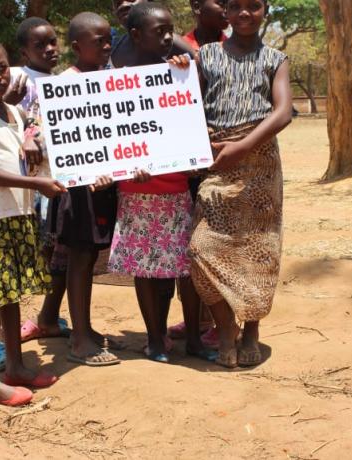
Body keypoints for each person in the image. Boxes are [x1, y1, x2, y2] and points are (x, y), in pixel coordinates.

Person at [108, 2, 217, 364]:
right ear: (136, 35)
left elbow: (196, 114)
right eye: (160, 31)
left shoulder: (180, 72)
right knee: (146, 269)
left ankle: (195, 339)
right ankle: (155, 338)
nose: (169, 37)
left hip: (176, 188)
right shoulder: (118, 79)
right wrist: (127, 167)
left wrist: (189, 73)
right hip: (137, 190)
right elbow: (111, 134)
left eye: (171, 29)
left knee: (184, 266)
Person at [0, 37, 66, 405]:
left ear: (11, 66)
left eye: (1, 67)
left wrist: (34, 147)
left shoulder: (15, 114)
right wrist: (36, 182)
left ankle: (16, 366)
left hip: (18, 215)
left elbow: (25, 150)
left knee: (10, 294)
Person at [190, 0, 292, 368]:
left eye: (254, 5)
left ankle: (250, 331)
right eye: (236, 6)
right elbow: (185, 103)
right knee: (202, 249)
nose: (245, 13)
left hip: (260, 161)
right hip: (217, 159)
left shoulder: (275, 59)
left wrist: (244, 146)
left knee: (259, 249)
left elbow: (282, 112)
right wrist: (175, 73)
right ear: (226, 14)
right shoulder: (206, 55)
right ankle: (226, 329)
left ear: (265, 9)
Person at [4, 17, 71, 343]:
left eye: (53, 42)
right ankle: (7, 329)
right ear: (24, 51)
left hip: (56, 183)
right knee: (24, 255)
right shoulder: (16, 79)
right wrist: (22, 132)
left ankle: (48, 316)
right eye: (40, 45)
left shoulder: (63, 83)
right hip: (25, 188)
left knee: (59, 253)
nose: (49, 49)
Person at [168, 0, 230, 347]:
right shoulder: (177, 46)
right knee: (188, 245)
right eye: (218, 1)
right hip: (186, 165)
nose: (225, 7)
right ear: (195, 5)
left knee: (221, 243)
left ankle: (223, 320)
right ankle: (199, 319)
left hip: (224, 159)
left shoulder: (237, 46)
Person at [61, 12, 121, 366]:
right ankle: (80, 338)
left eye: (108, 38)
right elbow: (53, 137)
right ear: (76, 46)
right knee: (81, 257)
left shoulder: (113, 79)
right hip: (79, 190)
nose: (106, 45)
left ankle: (85, 328)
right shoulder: (64, 84)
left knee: (92, 257)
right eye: (98, 40)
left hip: (109, 184)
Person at [110, 0, 195, 68]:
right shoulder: (114, 49)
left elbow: (200, 67)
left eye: (131, 0)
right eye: (118, 3)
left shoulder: (171, 42)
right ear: (135, 35)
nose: (123, 5)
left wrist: (183, 66)